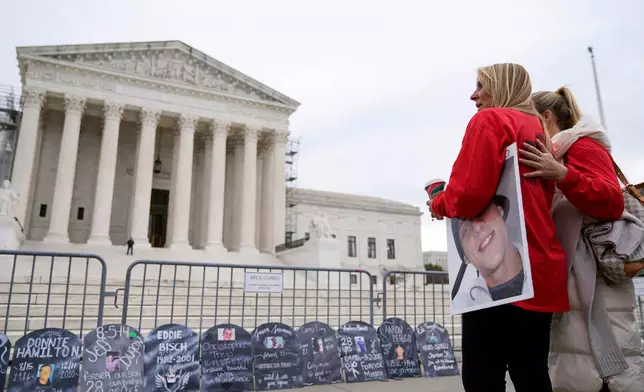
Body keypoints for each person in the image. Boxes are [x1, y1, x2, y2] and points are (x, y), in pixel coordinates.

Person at [428, 63, 568, 391]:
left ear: (502, 87)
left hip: (500, 279)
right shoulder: (536, 128)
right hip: (541, 266)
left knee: (482, 377)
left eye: (481, 85)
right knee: (531, 372)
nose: (473, 95)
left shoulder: (490, 120)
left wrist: (438, 202)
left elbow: (468, 197)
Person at [520, 86, 644, 391]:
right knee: (582, 365)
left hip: (596, 278)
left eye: (529, 119)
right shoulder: (559, 153)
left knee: (609, 370)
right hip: (578, 279)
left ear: (546, 117)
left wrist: (562, 175)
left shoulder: (582, 147)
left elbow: (610, 200)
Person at [451, 194, 527, 308]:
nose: (477, 227)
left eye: (482, 210)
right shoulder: (462, 305)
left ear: (500, 211)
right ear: (466, 257)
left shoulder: (546, 263)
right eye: (465, 230)